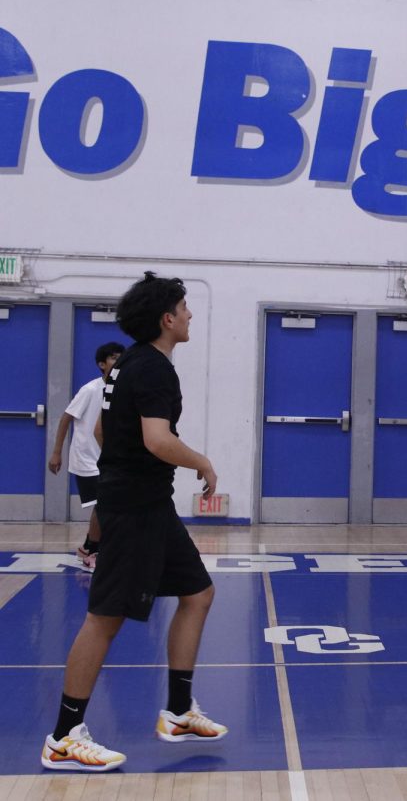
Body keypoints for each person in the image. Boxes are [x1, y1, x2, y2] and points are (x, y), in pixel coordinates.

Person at [41, 273, 226, 772]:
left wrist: (124, 467)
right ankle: (63, 736)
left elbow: (104, 429)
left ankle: (180, 710)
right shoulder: (155, 370)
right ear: (167, 319)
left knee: (198, 592)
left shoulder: (126, 365)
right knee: (104, 618)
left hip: (149, 505)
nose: (190, 315)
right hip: (134, 511)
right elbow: (158, 440)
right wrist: (202, 462)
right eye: (184, 308)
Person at [48, 342, 125, 569]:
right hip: (86, 457)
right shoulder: (90, 390)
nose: (117, 361)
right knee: (102, 503)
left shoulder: (121, 389)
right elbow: (66, 418)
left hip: (108, 458)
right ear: (102, 364)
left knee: (106, 504)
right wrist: (56, 453)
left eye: (121, 357)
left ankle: (91, 545)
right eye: (113, 358)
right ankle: (92, 548)